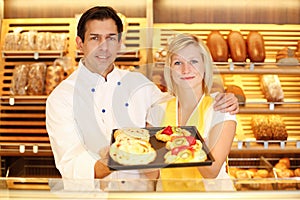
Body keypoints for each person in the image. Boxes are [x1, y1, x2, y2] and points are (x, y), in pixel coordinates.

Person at [46, 6, 239, 191]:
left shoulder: (139, 85)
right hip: (95, 196)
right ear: (80, 43)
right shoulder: (62, 98)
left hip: (139, 195)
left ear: (120, 43)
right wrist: (114, 160)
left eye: (111, 38)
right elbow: (70, 163)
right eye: (95, 38)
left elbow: (182, 99)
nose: (104, 47)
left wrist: (230, 96)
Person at [147, 33, 237, 191]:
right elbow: (151, 174)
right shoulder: (157, 110)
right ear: (170, 69)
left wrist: (177, 140)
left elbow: (211, 171)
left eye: (193, 61)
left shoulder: (220, 109)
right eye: (177, 63)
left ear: (204, 66)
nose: (186, 69)